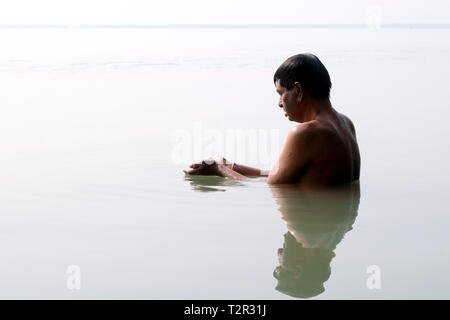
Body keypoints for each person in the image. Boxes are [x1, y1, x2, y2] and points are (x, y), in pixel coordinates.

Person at [183, 53, 360, 188]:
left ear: (298, 90)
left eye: (281, 93)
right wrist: (230, 165)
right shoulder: (346, 124)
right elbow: (278, 174)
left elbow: (273, 189)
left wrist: (220, 171)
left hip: (308, 236)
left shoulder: (305, 133)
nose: (279, 104)